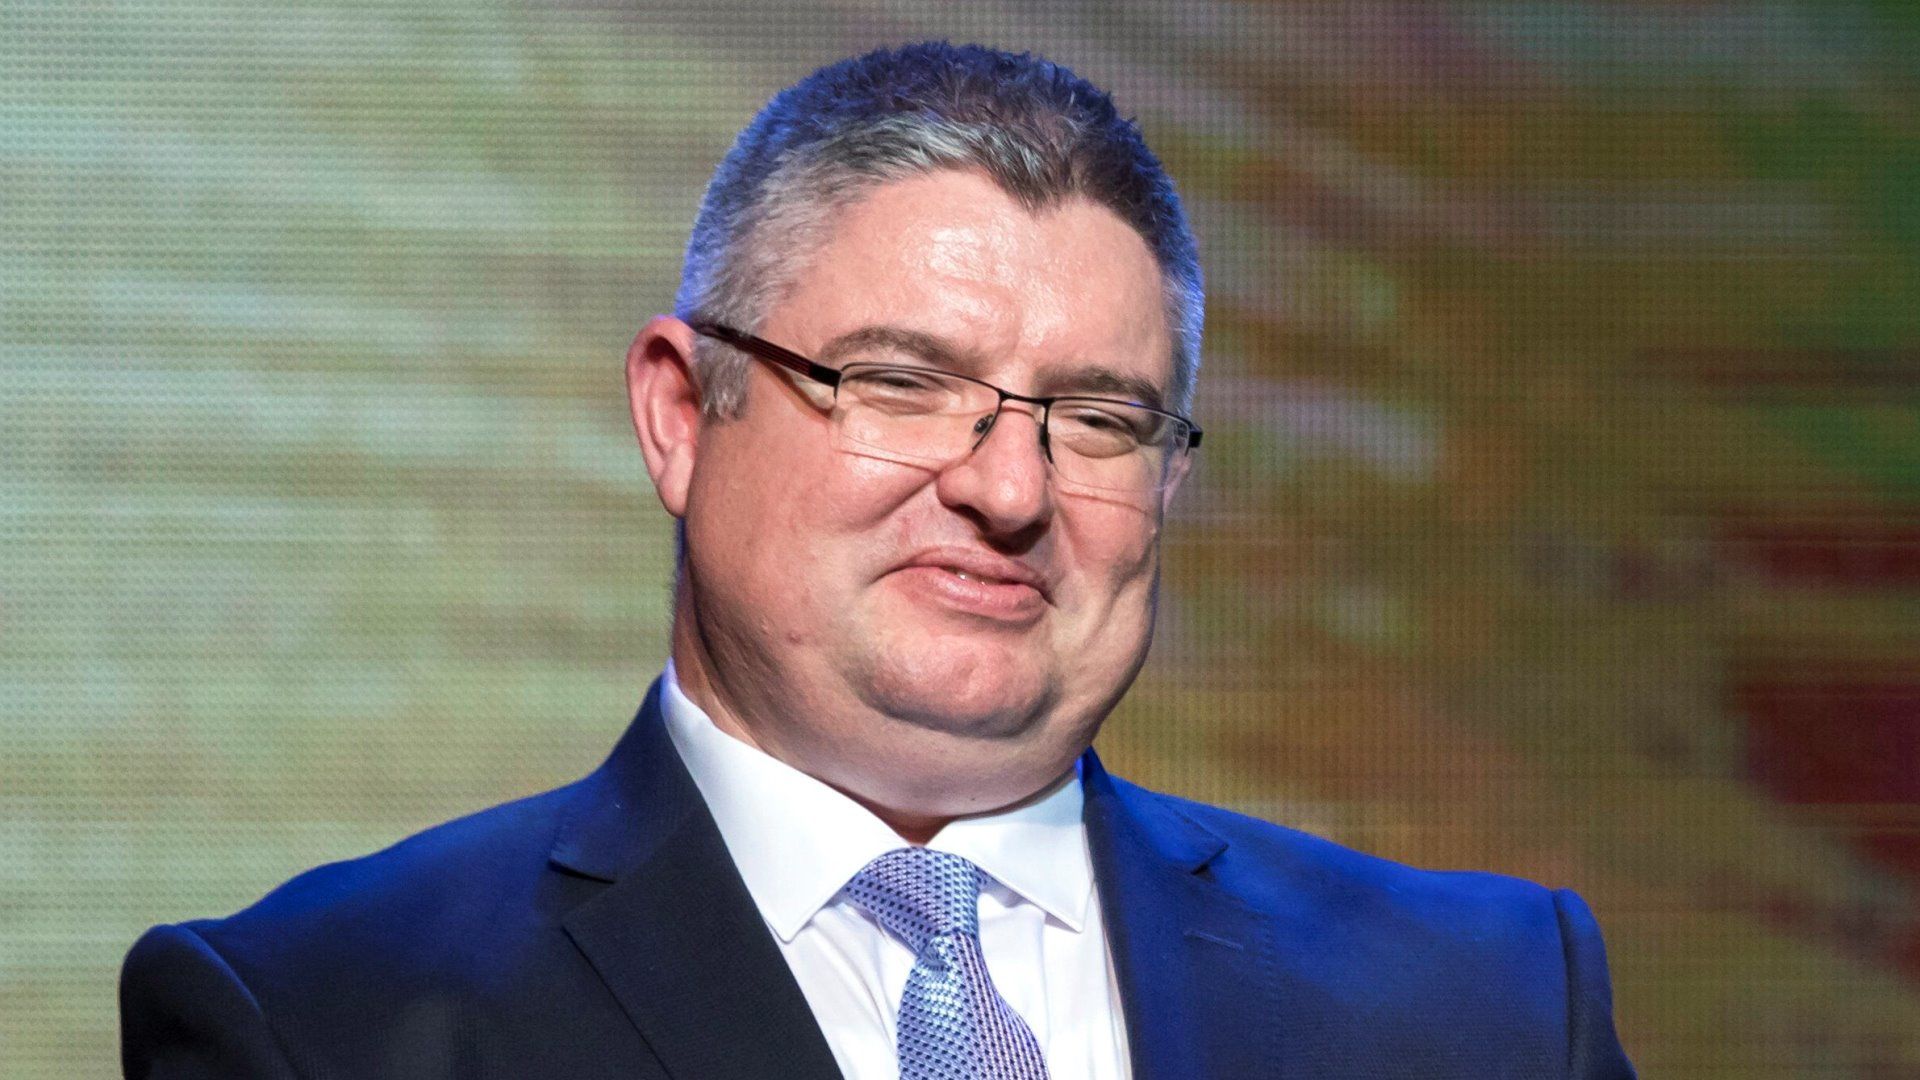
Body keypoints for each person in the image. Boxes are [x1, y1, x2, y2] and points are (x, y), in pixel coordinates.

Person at [120, 42, 1637, 1079]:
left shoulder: (1493, 1004)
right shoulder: (318, 1021)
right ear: (679, 416)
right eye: (900, 384)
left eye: (1100, 419)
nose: (1007, 488)